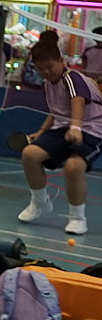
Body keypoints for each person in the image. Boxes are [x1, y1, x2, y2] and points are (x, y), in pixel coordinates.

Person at [17, 31, 101, 236]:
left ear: (61, 61)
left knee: (73, 167)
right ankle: (40, 203)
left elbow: (77, 101)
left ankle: (77, 217)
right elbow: (56, 111)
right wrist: (41, 131)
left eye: (50, 66)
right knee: (29, 154)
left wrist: (76, 127)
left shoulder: (71, 77)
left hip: (93, 127)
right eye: (40, 69)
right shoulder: (47, 84)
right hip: (64, 126)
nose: (46, 72)